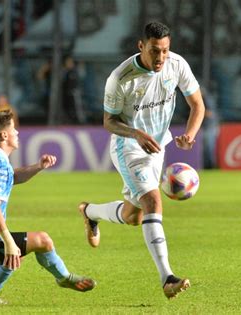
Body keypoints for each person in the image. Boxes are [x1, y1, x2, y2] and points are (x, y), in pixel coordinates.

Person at [78, 22, 205, 299]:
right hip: (128, 146)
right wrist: (135, 133)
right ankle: (167, 278)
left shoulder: (176, 65)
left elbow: (197, 104)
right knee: (153, 201)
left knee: (133, 216)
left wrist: (189, 135)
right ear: (141, 46)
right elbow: (109, 122)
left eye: (165, 50)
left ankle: (89, 212)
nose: (161, 58)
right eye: (154, 51)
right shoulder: (120, 78)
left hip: (157, 146)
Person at [0, 110, 96, 305]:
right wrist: (9, 242)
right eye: (13, 128)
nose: (17, 132)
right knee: (42, 241)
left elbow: (11, 177)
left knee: (13, 254)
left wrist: (38, 167)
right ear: (4, 135)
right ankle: (64, 278)